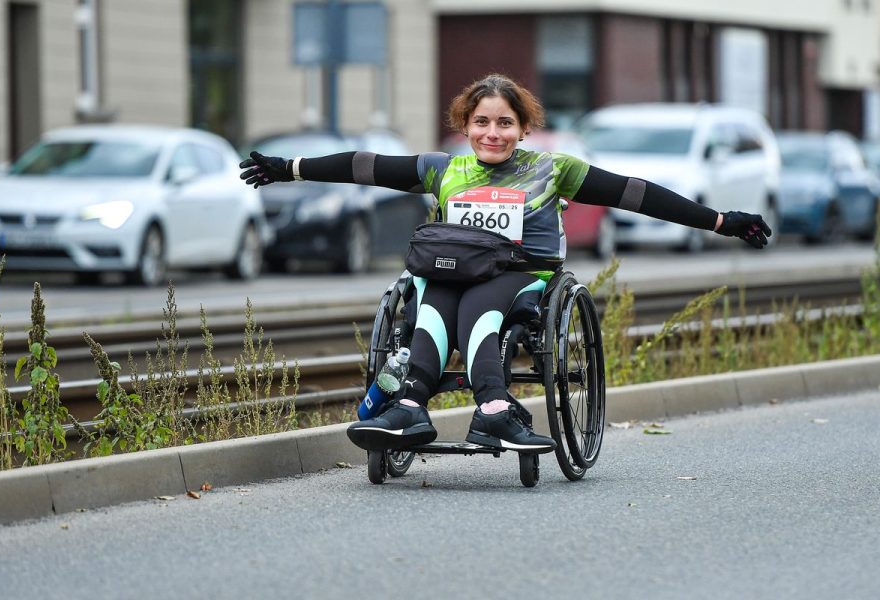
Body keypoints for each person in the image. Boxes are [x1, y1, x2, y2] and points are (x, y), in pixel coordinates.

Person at [239, 73, 771, 454]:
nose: (492, 133)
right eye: (481, 122)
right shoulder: (444, 168)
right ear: (465, 125)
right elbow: (365, 166)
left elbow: (636, 193)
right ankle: (411, 407)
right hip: (448, 269)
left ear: (524, 127)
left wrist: (720, 221)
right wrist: (289, 167)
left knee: (481, 306)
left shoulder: (552, 169)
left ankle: (492, 409)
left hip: (521, 274)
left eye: (504, 123)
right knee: (431, 303)